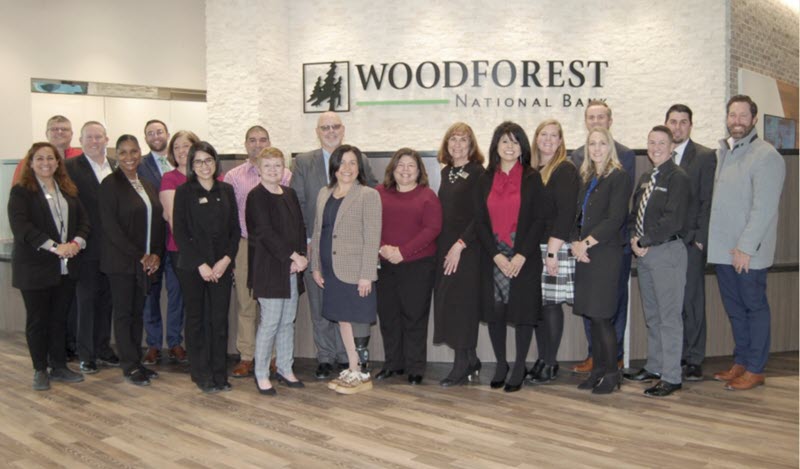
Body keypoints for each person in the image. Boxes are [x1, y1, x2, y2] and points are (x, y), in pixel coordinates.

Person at [292, 111, 378, 379]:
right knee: (322, 309)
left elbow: (371, 217)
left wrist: (367, 271)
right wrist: (310, 247)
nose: (331, 131)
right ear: (318, 131)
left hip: (352, 259)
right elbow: (299, 204)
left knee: (349, 313)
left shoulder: (361, 163)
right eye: (325, 127)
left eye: (335, 126)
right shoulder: (305, 163)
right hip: (317, 251)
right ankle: (326, 357)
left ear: (343, 129)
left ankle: (348, 360)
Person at [708, 95, 785, 391]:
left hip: (747, 253)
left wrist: (746, 248)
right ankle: (741, 361)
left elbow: (763, 208)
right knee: (736, 310)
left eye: (742, 115)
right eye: (732, 115)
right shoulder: (727, 152)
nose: (736, 120)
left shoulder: (766, 155)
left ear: (754, 120)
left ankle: (755, 368)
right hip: (723, 251)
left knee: (754, 308)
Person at [474, 121, 548, 393]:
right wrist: (496, 256)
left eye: (515, 141)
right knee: (496, 312)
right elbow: (479, 221)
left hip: (522, 255)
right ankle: (502, 364)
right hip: (493, 255)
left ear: (522, 147)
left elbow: (540, 220)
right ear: (496, 145)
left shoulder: (532, 177)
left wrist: (520, 256)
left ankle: (519, 365)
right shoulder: (484, 178)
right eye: (504, 141)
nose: (509, 146)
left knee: (523, 312)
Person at [8, 142, 88, 390]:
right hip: (35, 267)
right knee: (38, 321)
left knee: (58, 319)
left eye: (50, 158)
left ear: (58, 162)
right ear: (30, 163)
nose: (46, 163)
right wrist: (56, 247)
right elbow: (23, 228)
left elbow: (84, 221)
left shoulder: (68, 189)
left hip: (65, 267)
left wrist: (76, 242)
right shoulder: (21, 191)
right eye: (40, 159)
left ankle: (59, 366)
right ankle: (40, 369)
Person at [569, 100, 635, 373]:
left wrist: (586, 242)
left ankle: (610, 373)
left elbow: (615, 218)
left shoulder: (618, 174)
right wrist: (575, 242)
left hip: (605, 253)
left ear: (610, 146)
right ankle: (597, 369)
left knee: (604, 315)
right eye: (592, 144)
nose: (597, 149)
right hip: (584, 255)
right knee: (592, 315)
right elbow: (575, 214)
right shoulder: (585, 176)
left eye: (602, 144)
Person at [624, 126, 690, 397]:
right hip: (645, 254)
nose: (655, 147)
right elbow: (634, 213)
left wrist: (645, 241)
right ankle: (655, 366)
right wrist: (633, 239)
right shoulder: (646, 176)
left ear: (672, 146)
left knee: (669, 317)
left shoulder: (678, 178)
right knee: (653, 315)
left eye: (661, 142)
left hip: (666, 252)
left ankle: (672, 376)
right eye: (651, 142)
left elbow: (673, 220)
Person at [310, 145, 381, 394]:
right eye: (342, 163)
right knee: (342, 318)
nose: (347, 168)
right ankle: (352, 367)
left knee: (358, 319)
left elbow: (373, 237)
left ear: (359, 167)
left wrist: (366, 274)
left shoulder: (368, 195)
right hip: (330, 269)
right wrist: (315, 267)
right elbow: (318, 232)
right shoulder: (323, 193)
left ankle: (361, 372)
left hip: (355, 270)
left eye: (353, 163)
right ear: (334, 167)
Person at [172, 142, 240, 393]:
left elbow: (235, 231)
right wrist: (200, 264)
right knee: (197, 319)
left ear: (216, 162)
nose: (204, 166)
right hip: (193, 268)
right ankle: (201, 373)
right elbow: (180, 232)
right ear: (191, 165)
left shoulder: (227, 190)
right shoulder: (184, 192)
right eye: (198, 161)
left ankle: (219, 374)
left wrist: (225, 261)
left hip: (221, 267)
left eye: (208, 160)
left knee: (219, 320)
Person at [98, 135, 165, 386]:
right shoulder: (110, 184)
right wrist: (141, 256)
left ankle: (136, 361)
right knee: (125, 315)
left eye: (133, 152)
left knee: (138, 313)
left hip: (145, 263)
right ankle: (129, 365)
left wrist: (156, 253)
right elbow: (111, 228)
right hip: (122, 263)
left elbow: (157, 221)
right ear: (118, 156)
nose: (129, 157)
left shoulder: (145, 183)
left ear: (140, 153)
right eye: (123, 152)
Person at [225, 125, 291, 379]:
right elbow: (229, 217)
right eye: (252, 140)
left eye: (263, 139)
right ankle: (247, 356)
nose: (258, 144)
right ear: (245, 144)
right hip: (245, 244)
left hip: (274, 247)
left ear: (270, 141)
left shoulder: (285, 175)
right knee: (246, 302)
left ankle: (273, 356)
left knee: (273, 304)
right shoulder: (233, 176)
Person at [375, 148, 442, 385]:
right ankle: (393, 364)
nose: (405, 170)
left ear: (419, 171)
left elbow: (432, 229)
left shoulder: (427, 196)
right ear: (392, 169)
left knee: (414, 317)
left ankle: (415, 367)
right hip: (385, 264)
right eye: (400, 165)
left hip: (418, 266)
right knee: (389, 317)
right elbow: (370, 224)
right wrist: (383, 248)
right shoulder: (379, 193)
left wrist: (402, 252)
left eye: (410, 166)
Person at [246, 147, 307, 395]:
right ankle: (261, 373)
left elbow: (300, 228)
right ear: (259, 170)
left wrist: (301, 257)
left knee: (287, 322)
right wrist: (292, 256)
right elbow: (264, 232)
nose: (273, 170)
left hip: (292, 268)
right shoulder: (256, 196)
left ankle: (284, 368)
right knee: (270, 322)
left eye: (277, 165)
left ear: (284, 169)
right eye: (268, 166)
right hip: (269, 268)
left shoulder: (290, 194)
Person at [663, 104, 717, 381]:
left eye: (683, 122)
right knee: (672, 303)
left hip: (690, 243)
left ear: (690, 126)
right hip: (666, 244)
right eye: (673, 122)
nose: (678, 127)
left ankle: (694, 358)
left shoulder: (705, 157)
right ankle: (677, 355)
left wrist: (699, 239)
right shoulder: (661, 156)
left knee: (692, 302)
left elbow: (708, 201)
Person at [433, 122, 486, 387]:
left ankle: (461, 365)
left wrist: (460, 244)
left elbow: (481, 215)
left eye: (463, 140)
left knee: (463, 306)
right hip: (445, 247)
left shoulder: (478, 173)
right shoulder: (446, 172)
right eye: (453, 139)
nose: (457, 144)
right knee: (451, 303)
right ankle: (472, 358)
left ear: (471, 145)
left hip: (467, 248)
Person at [65, 121, 119, 374]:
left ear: (107, 139)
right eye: (89, 137)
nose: (94, 141)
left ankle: (103, 348)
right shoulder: (69, 168)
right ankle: (86, 354)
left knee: (107, 301)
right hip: (86, 246)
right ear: (81, 140)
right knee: (86, 301)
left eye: (99, 137)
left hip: (113, 247)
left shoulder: (117, 166)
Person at [527, 119, 579, 384]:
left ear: (560, 141)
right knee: (539, 305)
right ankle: (541, 359)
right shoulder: (534, 170)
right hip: (535, 247)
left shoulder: (564, 169)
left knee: (551, 306)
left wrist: (552, 252)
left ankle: (550, 362)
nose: (548, 139)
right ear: (536, 139)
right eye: (543, 134)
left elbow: (567, 213)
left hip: (554, 246)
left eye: (553, 135)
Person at [149, 130, 201, 365]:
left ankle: (199, 345)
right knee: (178, 298)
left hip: (209, 252)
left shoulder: (209, 175)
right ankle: (175, 343)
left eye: (187, 146)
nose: (182, 151)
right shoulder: (170, 179)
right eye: (177, 147)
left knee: (201, 302)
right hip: (178, 250)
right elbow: (171, 217)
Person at [137, 120, 184, 366]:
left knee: (177, 293)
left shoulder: (183, 165)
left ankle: (175, 341)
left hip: (176, 241)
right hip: (152, 240)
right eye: (150, 133)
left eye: (159, 132)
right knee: (150, 293)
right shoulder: (139, 165)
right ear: (145, 137)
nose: (155, 136)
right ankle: (153, 344)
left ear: (168, 134)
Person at [12, 115, 82, 185]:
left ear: (72, 134)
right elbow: (18, 189)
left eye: (65, 129)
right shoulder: (31, 160)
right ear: (46, 134)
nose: (60, 132)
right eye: (54, 129)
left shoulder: (83, 157)